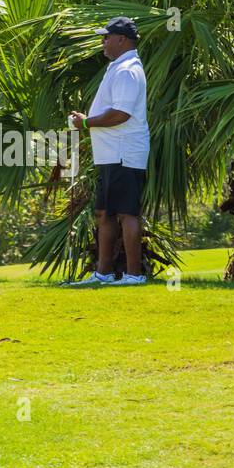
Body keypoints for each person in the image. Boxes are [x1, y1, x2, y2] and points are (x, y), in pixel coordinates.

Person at [68, 16, 150, 286]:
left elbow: (121, 114)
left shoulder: (128, 70)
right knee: (104, 212)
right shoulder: (118, 67)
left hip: (125, 152)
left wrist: (87, 122)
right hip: (110, 154)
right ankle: (102, 274)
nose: (102, 42)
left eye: (105, 37)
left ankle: (134, 274)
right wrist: (86, 119)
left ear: (121, 39)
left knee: (127, 213)